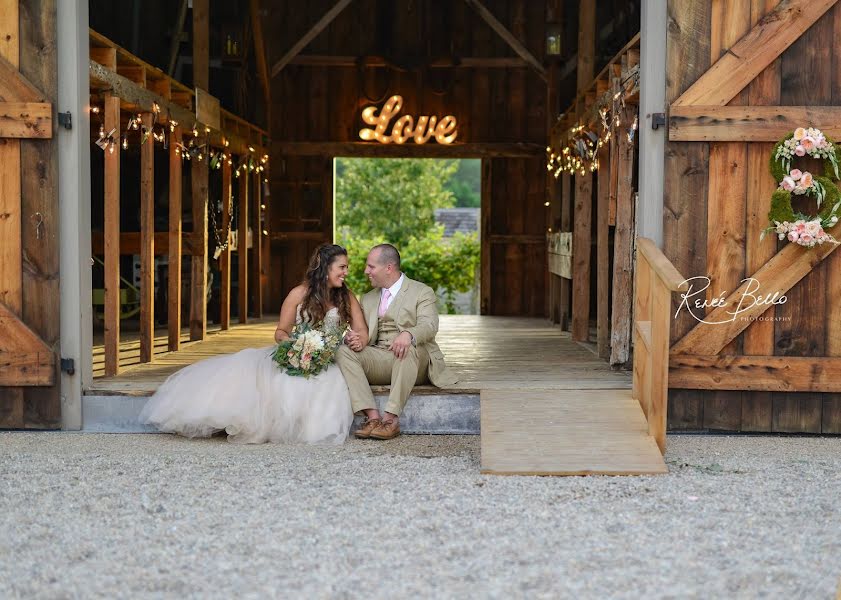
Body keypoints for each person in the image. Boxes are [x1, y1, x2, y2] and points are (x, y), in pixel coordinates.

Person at [139, 244, 368, 444]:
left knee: (329, 383)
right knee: (279, 381)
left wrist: (359, 340)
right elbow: (281, 331)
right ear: (325, 267)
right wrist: (294, 347)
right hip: (298, 353)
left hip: (330, 358)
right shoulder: (298, 294)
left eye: (346, 267)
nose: (346, 272)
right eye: (342, 267)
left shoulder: (346, 297)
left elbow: (361, 331)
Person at [337, 243, 458, 440]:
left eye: (371, 266)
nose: (366, 271)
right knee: (343, 351)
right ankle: (373, 417)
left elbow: (430, 325)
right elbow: (364, 333)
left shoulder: (421, 291)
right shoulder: (367, 298)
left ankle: (390, 420)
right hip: (382, 357)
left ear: (389, 268)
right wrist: (355, 338)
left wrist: (409, 335)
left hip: (415, 360)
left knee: (406, 348)